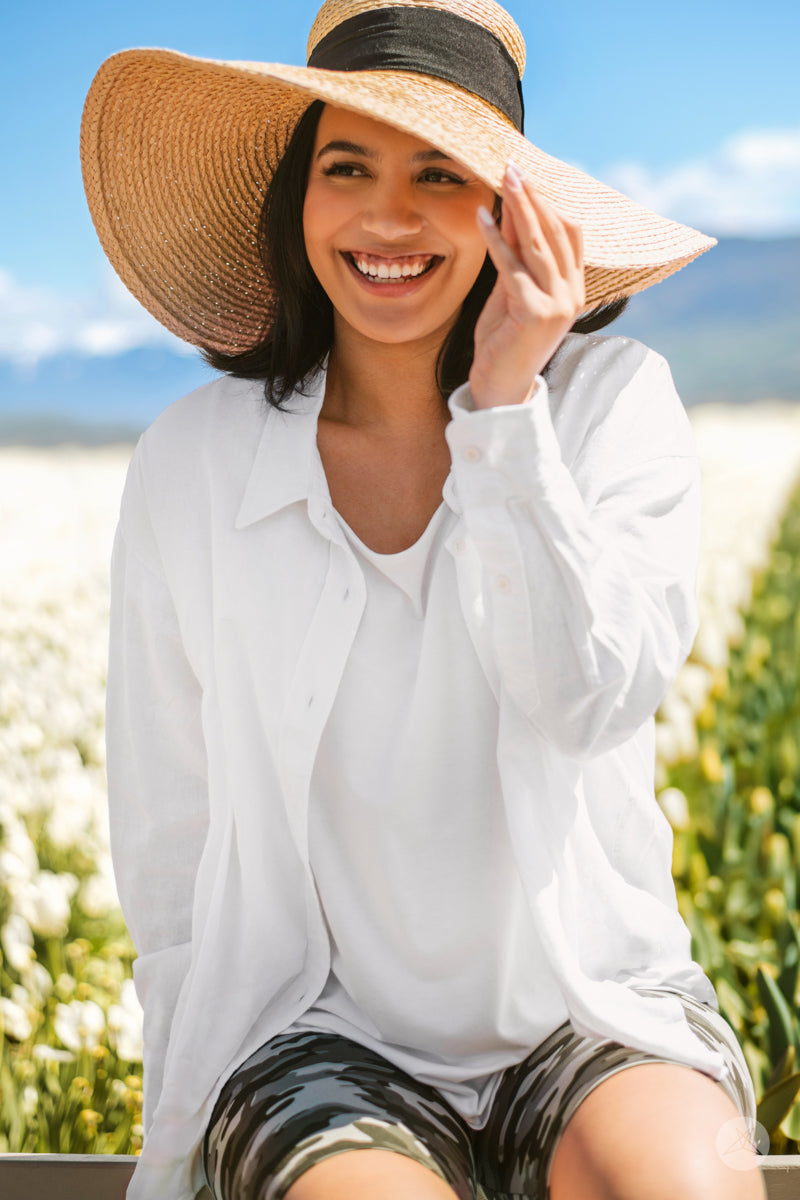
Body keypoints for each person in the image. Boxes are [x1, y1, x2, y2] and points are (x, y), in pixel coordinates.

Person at [81, 2, 765, 1198]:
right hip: (313, 1039)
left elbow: (586, 698)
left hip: (589, 1008)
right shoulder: (191, 462)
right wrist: (190, 1098)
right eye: (346, 166)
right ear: (298, 198)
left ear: (510, 210)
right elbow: (167, 831)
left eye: (439, 174)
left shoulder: (612, 407)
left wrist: (503, 412)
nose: (386, 216)